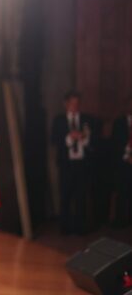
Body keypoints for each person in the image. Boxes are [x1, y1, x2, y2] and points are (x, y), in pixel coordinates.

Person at [51, 90, 96, 235]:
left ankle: (80, 228)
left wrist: (84, 139)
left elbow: (94, 142)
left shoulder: (86, 119)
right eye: (72, 103)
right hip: (66, 165)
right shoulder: (59, 120)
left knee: (81, 197)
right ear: (66, 104)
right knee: (65, 196)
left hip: (82, 164)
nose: (75, 106)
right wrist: (70, 138)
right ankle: (65, 228)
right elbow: (54, 140)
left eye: (77, 103)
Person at [111, 101, 132, 227]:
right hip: (123, 164)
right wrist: (127, 157)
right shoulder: (119, 123)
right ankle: (120, 220)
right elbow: (116, 143)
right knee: (122, 191)